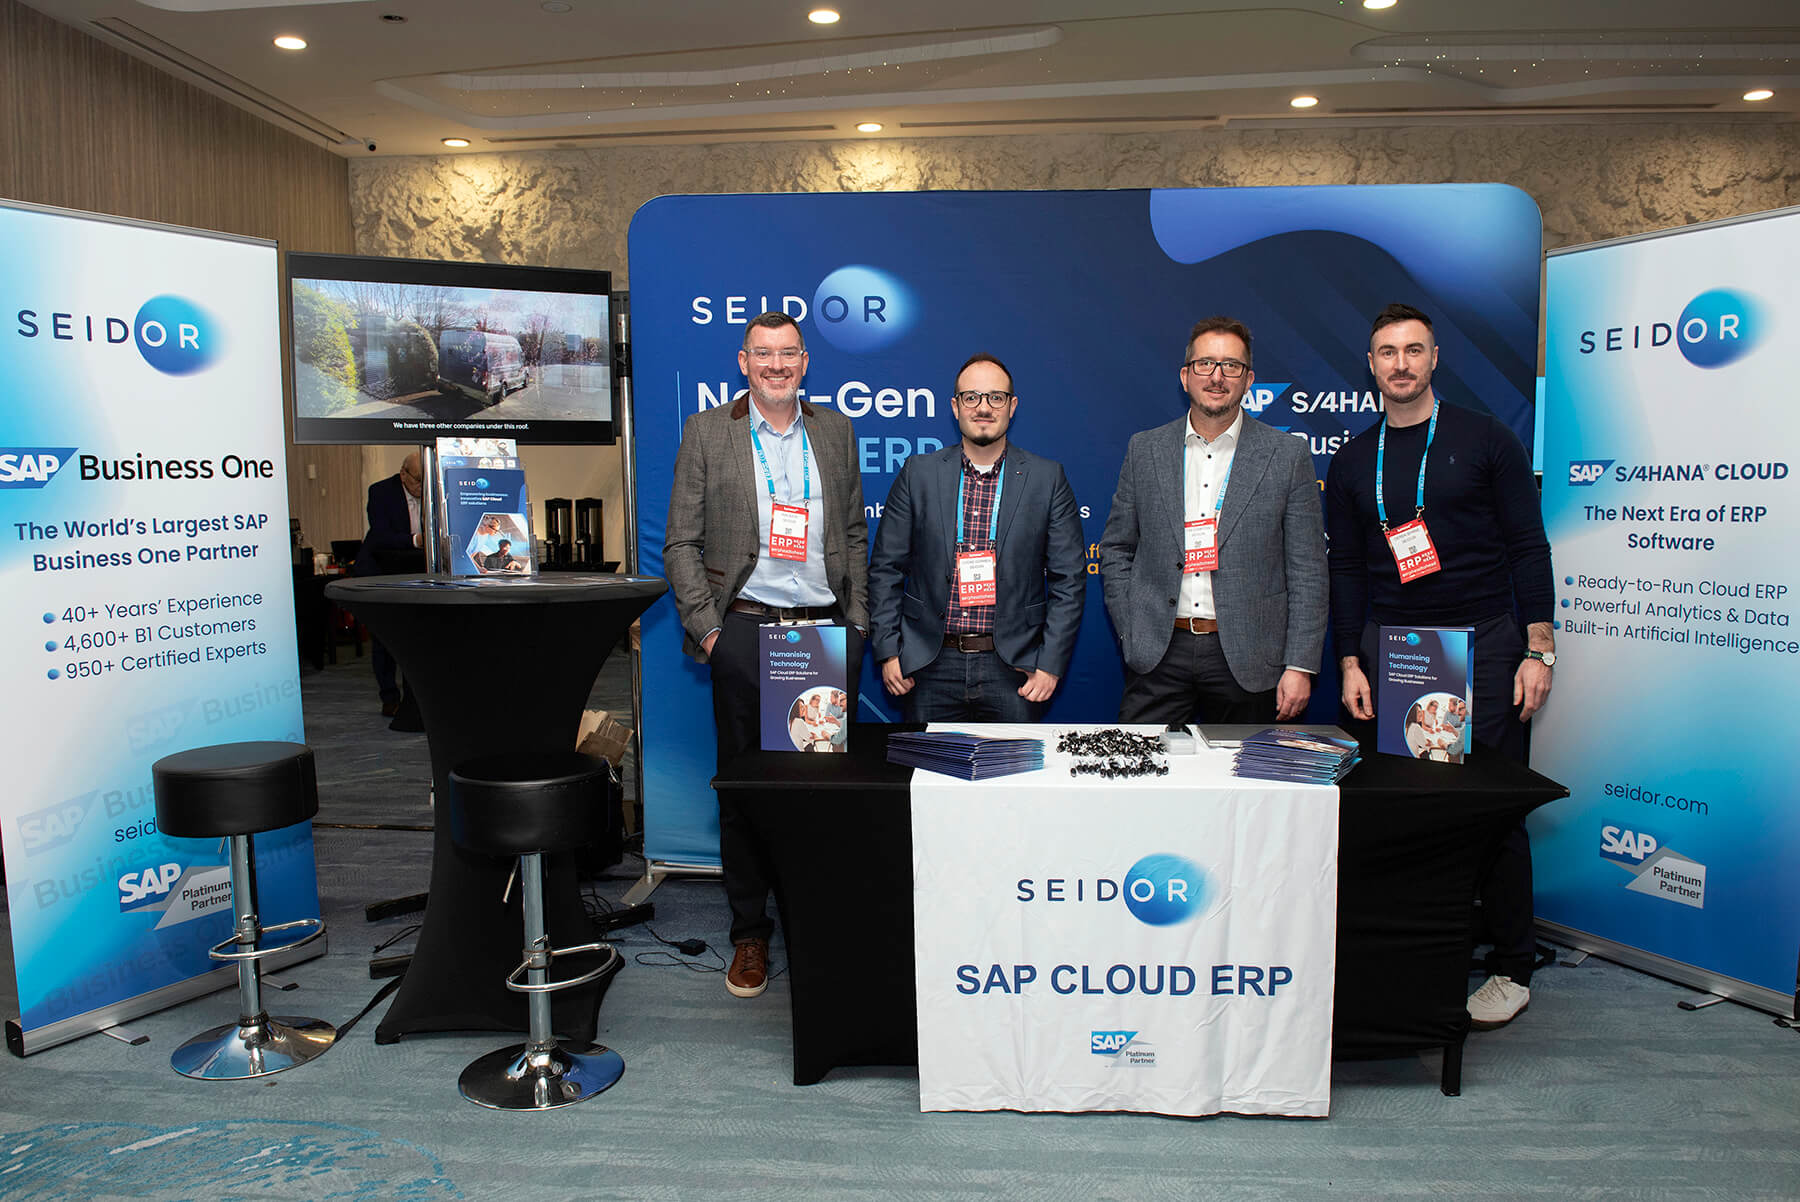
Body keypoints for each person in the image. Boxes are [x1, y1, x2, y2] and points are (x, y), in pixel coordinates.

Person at [1325, 302, 1555, 1031]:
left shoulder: (1485, 438)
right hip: (1399, 651)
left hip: (1484, 643)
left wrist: (1538, 648)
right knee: (1412, 807)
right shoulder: (1353, 459)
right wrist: (1349, 658)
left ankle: (1513, 964)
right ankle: (1424, 955)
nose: (1401, 363)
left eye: (1414, 350)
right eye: (1387, 352)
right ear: (1371, 365)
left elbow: (1528, 546)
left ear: (1434, 359)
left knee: (1491, 805)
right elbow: (1349, 571)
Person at [664, 311, 869, 1000]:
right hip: (746, 634)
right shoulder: (707, 432)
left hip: (824, 635)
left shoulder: (835, 430)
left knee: (820, 795)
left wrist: (857, 624)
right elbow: (681, 543)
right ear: (743, 362)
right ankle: (749, 931)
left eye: (788, 354)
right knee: (746, 792)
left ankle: (816, 923)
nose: (776, 365)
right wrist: (711, 634)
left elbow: (853, 533)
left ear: (804, 361)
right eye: (763, 354)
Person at [1098, 316, 1327, 726]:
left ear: (1248, 379)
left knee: (1243, 769)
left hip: (1250, 657)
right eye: (1205, 364)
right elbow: (1116, 548)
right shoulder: (1145, 449)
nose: (1217, 377)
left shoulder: (1287, 455)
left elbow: (1308, 569)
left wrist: (1300, 664)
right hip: (1158, 653)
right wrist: (1132, 629)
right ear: (1185, 376)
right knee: (1141, 764)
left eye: (1231, 366)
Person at [869, 352, 1084, 722]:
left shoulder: (1047, 479)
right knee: (927, 763)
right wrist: (889, 652)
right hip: (928, 666)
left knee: (1013, 764)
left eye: (996, 397)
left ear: (1012, 406)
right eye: (971, 397)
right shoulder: (918, 473)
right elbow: (886, 569)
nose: (983, 408)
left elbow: (1069, 580)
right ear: (955, 407)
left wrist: (1049, 664)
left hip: (1014, 668)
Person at [353, 452, 425, 722]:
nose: (421, 487)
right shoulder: (381, 492)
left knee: (415, 638)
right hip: (381, 570)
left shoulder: (435, 491)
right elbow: (381, 536)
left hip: (416, 571)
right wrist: (416, 540)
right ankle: (389, 698)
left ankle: (416, 699)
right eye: (417, 480)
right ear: (403, 474)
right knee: (384, 638)